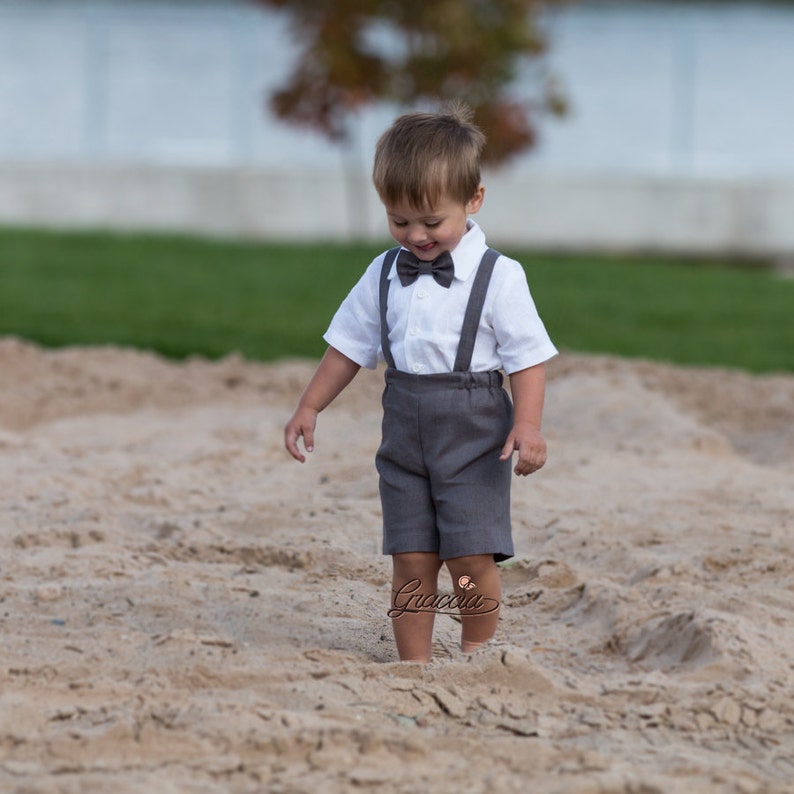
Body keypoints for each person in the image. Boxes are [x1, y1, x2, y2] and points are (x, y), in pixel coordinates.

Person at [284, 104, 557, 663]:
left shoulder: (499, 277)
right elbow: (348, 347)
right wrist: (310, 406)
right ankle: (414, 664)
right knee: (410, 557)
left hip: (475, 433)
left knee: (468, 559)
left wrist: (527, 424)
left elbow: (528, 358)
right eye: (399, 220)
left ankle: (478, 651)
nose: (415, 235)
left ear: (473, 200)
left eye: (431, 222)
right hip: (404, 431)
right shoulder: (384, 271)